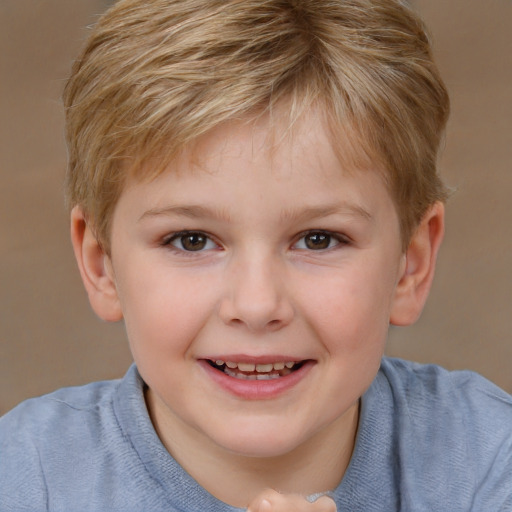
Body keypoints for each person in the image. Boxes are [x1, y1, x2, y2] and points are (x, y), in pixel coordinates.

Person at [1, 0, 511, 510]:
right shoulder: (26, 477)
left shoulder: (489, 460)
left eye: (318, 239)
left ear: (411, 264)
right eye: (191, 240)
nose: (257, 304)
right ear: (101, 264)